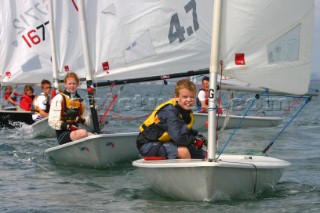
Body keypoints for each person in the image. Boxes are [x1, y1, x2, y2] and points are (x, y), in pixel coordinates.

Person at [136, 79, 207, 160]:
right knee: (183, 152)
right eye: (185, 97)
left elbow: (184, 132)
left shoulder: (186, 112)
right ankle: (185, 172)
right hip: (147, 145)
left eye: (192, 97)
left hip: (166, 142)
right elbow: (179, 138)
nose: (189, 100)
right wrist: (194, 141)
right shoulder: (170, 111)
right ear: (176, 97)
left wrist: (201, 139)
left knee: (202, 154)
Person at [48, 72, 93, 145]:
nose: (72, 86)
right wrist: (66, 126)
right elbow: (52, 121)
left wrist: (81, 120)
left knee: (92, 135)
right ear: (65, 85)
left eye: (74, 83)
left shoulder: (80, 101)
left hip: (76, 130)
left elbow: (88, 121)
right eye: (70, 84)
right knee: (83, 132)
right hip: (62, 134)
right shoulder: (59, 98)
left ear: (77, 84)